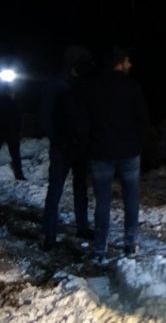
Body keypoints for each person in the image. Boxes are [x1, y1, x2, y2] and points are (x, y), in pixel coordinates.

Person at [79, 47, 149, 261]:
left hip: (101, 153)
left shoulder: (91, 88)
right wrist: (139, 144)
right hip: (129, 152)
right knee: (131, 198)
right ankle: (130, 243)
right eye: (128, 62)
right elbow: (142, 120)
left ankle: (100, 248)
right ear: (118, 64)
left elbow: (84, 121)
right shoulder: (132, 87)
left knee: (102, 201)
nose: (130, 66)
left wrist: (89, 145)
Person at [40, 46, 95, 250]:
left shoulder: (74, 84)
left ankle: (75, 228)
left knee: (76, 189)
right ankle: (50, 234)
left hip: (75, 146)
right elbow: (46, 117)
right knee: (57, 189)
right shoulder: (58, 85)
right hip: (65, 147)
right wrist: (58, 139)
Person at [0, 82, 25, 181]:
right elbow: (18, 118)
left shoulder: (2, 103)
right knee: (16, 155)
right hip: (12, 132)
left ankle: (19, 174)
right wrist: (19, 131)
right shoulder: (14, 104)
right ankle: (19, 175)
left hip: (2, 131)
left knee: (15, 155)